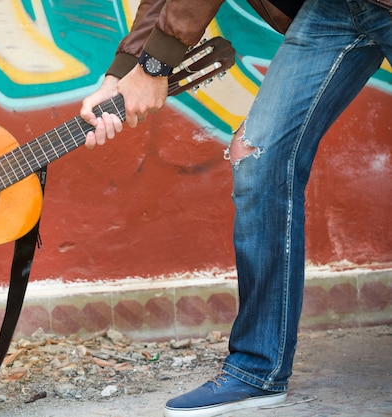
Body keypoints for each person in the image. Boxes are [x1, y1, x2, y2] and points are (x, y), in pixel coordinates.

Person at [79, 0, 392, 416]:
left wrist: (155, 67)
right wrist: (120, 74)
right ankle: (258, 369)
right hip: (332, 9)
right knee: (258, 154)